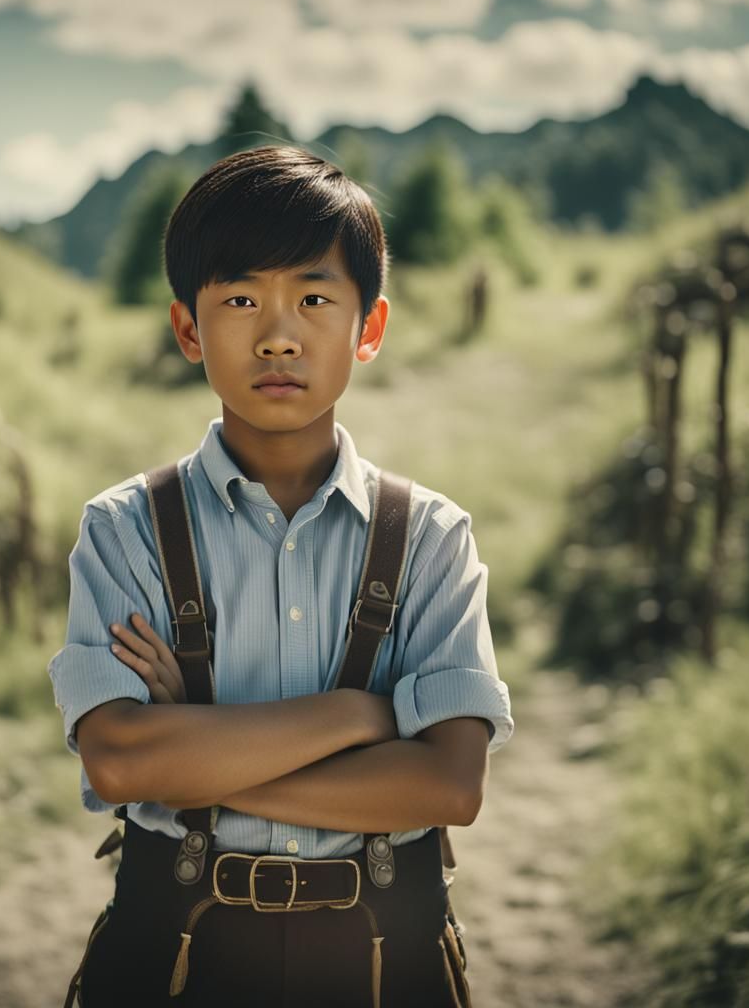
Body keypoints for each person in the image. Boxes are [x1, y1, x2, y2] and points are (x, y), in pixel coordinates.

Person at [47, 145, 514, 1007]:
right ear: (189, 328)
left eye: (312, 297)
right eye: (238, 299)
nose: (278, 332)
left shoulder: (431, 540)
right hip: (177, 951)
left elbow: (449, 783)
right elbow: (116, 761)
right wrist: (361, 716)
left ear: (367, 328)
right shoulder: (127, 530)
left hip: (384, 957)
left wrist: (190, 750)